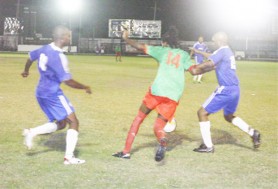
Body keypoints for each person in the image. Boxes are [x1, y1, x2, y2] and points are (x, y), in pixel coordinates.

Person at [113, 27, 193, 162]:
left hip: (156, 92)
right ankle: (162, 140)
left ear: (165, 42)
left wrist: (126, 38)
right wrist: (213, 64)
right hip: (173, 96)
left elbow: (139, 46)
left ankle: (126, 151)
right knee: (158, 126)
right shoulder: (184, 55)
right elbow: (195, 70)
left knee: (138, 119)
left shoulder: (162, 51)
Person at [21, 25, 92, 165]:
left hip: (40, 93)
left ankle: (32, 132)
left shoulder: (44, 49)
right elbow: (68, 82)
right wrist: (85, 87)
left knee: (61, 124)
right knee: (74, 122)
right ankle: (69, 158)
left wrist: (26, 71)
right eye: (68, 36)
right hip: (53, 93)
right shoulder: (59, 57)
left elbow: (30, 57)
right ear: (62, 38)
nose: (70, 38)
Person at [188, 31, 261, 153]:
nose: (214, 43)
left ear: (219, 41)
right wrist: (201, 63)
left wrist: (195, 68)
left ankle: (208, 146)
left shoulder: (221, 51)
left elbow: (210, 63)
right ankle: (253, 132)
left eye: (215, 41)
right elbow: (213, 62)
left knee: (202, 113)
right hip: (235, 89)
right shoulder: (228, 51)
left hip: (226, 89)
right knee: (228, 116)